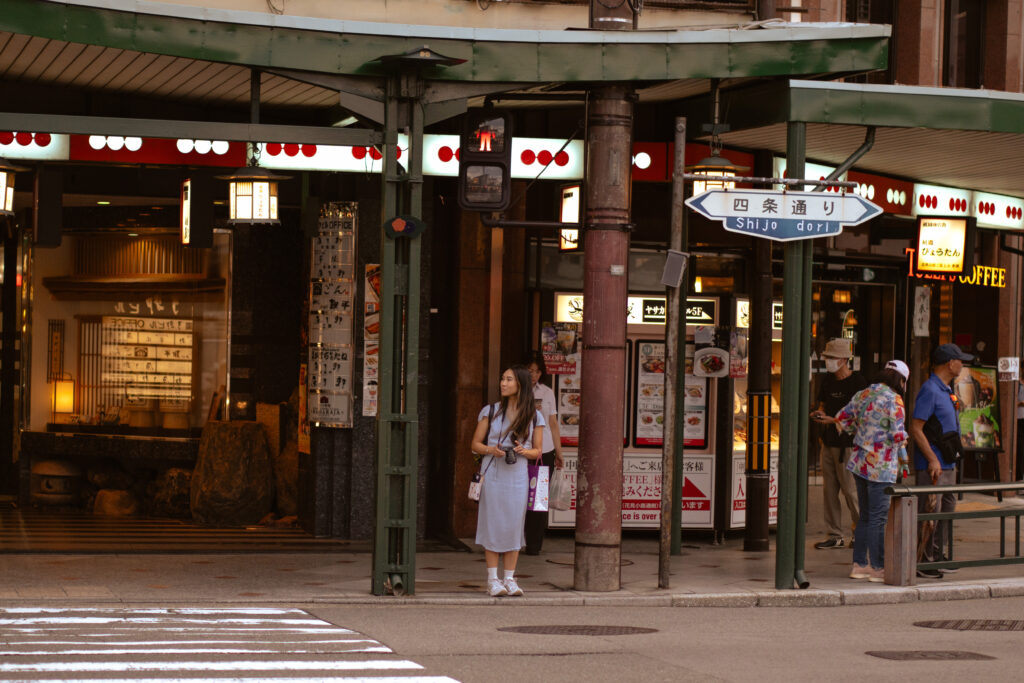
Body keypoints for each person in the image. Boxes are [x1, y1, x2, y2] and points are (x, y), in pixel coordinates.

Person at [470, 365, 545, 597]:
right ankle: (493, 580)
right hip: (492, 474)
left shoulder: (534, 416)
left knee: (514, 526)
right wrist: (492, 449)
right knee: (492, 523)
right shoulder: (490, 411)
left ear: (520, 385)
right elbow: (475, 445)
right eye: (502, 379)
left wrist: (523, 450)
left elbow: (538, 452)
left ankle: (510, 579)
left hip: (518, 476)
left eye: (509, 379)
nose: (503, 383)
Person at [833, 360, 909, 583]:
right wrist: (904, 451)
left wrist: (861, 431)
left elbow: (842, 418)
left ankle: (859, 565)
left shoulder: (863, 394)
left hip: (859, 462)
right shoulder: (894, 399)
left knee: (865, 515)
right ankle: (878, 567)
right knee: (878, 518)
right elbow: (897, 435)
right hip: (881, 466)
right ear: (901, 379)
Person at [908, 342, 974, 579]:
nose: (962, 364)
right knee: (929, 511)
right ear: (950, 363)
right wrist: (932, 459)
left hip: (948, 462)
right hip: (934, 465)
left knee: (946, 510)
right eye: (960, 360)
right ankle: (922, 560)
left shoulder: (946, 389)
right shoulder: (930, 389)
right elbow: (916, 428)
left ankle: (936, 554)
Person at [810, 338, 867, 550]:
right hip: (829, 442)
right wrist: (820, 413)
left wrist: (834, 420)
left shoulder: (858, 383)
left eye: (831, 358)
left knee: (851, 490)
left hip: (849, 445)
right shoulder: (827, 381)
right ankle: (835, 534)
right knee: (829, 490)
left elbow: (863, 416)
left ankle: (860, 532)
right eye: (827, 358)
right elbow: (823, 403)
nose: (828, 362)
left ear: (844, 360)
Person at [523, 353, 564, 555]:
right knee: (519, 496)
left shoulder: (547, 393)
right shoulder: (515, 390)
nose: (533, 375)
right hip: (521, 450)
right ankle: (515, 540)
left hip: (544, 450)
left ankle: (534, 544)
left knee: (538, 498)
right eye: (530, 370)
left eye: (537, 371)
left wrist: (559, 451)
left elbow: (553, 424)